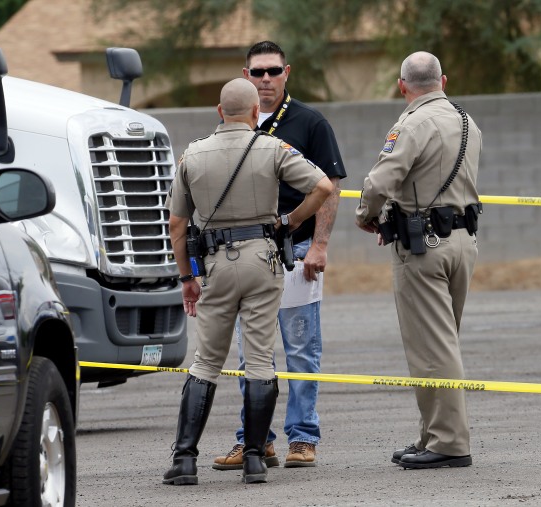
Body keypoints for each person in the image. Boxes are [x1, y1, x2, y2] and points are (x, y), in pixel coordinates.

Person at [163, 78, 332, 486]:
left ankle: (185, 460)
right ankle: (255, 458)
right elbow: (324, 186)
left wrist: (187, 277)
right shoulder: (272, 148)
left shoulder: (193, 155)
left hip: (216, 264)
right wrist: (289, 222)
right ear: (256, 112)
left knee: (206, 360)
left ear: (219, 112)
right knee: (259, 359)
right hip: (263, 258)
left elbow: (177, 225)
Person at [213, 40, 346, 471]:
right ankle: (256, 440)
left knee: (302, 349)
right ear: (245, 75)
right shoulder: (235, 124)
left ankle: (303, 438)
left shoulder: (309, 122)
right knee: (252, 352)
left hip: (296, 249)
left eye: (273, 71)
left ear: (287, 72)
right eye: (257, 72)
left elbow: (331, 185)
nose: (266, 79)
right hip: (247, 254)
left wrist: (320, 245)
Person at [355, 51, 482, 469]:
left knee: (431, 347)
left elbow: (380, 181)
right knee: (444, 342)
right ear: (443, 80)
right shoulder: (467, 122)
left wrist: (367, 216)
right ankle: (433, 433)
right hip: (462, 242)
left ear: (402, 85)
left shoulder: (411, 123)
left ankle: (448, 443)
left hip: (423, 247)